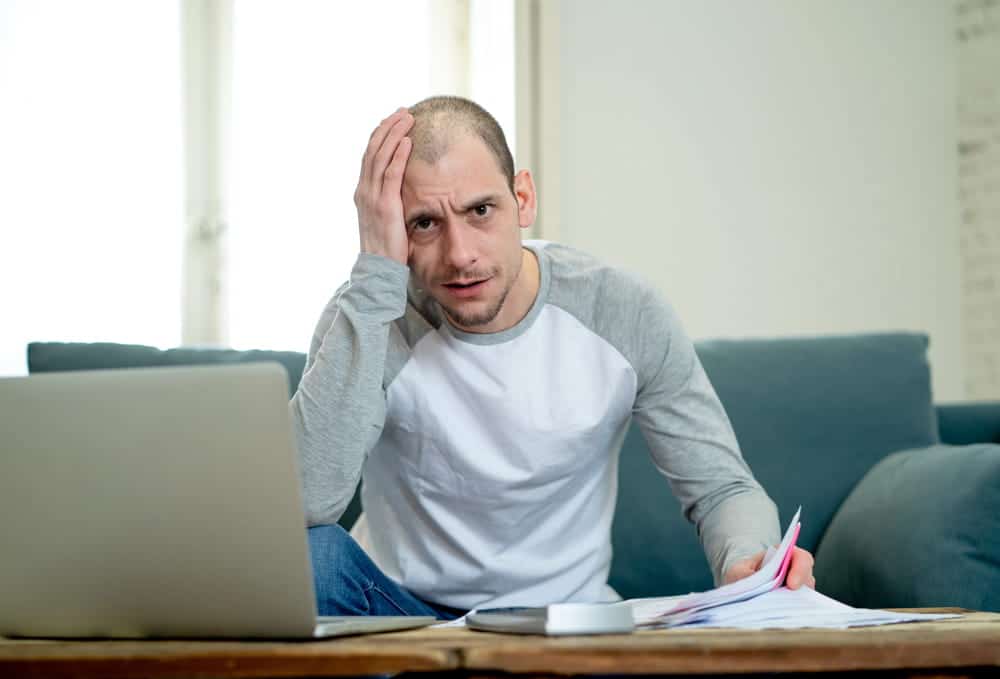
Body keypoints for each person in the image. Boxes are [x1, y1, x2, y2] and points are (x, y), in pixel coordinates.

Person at [291, 96, 815, 620]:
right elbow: (306, 508)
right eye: (424, 223)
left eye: (480, 211)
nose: (460, 254)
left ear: (523, 198)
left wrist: (747, 564)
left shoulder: (620, 309)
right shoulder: (369, 309)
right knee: (310, 559)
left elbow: (721, 486)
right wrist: (375, 274)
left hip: (567, 623)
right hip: (404, 616)